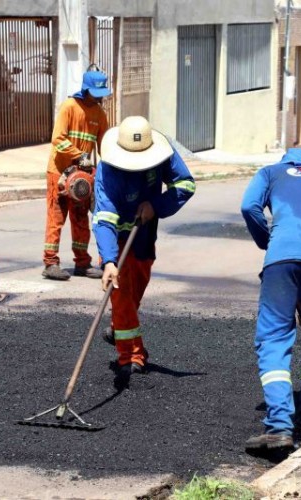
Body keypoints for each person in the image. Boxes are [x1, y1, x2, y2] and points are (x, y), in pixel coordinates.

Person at [240, 148, 301, 454]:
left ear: (287, 160)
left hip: (284, 255)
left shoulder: (272, 172)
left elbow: (249, 207)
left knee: (273, 337)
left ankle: (280, 427)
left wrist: (268, 243)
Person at [92, 115, 196, 382]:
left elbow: (185, 185)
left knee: (136, 288)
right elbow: (104, 218)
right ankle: (131, 357)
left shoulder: (164, 154)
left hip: (145, 230)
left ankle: (119, 326)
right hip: (116, 235)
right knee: (121, 291)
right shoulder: (107, 170)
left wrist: (156, 206)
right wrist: (109, 262)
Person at [42, 70, 111, 280]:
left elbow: (104, 145)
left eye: (101, 93)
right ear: (85, 90)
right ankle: (50, 262)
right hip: (60, 173)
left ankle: (82, 263)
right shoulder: (69, 107)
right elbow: (58, 139)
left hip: (82, 177)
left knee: (80, 219)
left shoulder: (99, 114)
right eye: (95, 93)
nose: (99, 97)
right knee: (57, 217)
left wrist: (107, 168)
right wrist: (79, 155)